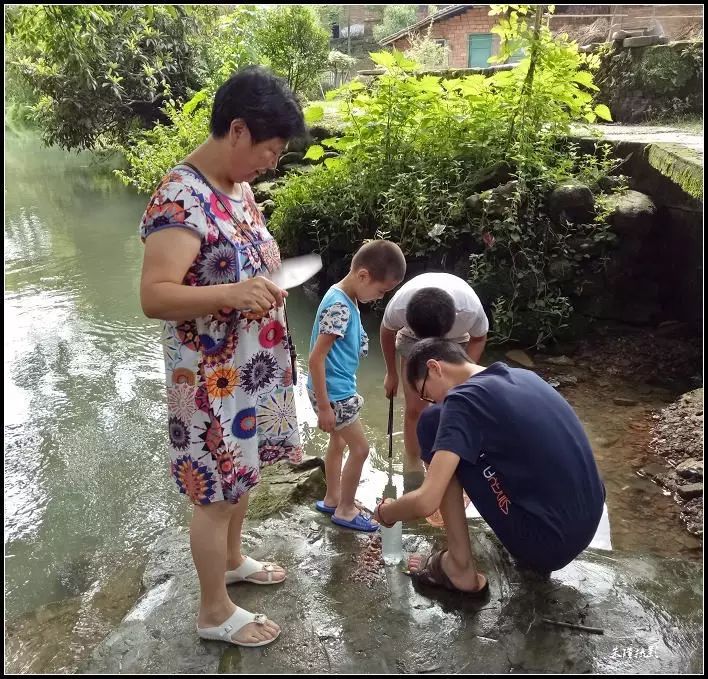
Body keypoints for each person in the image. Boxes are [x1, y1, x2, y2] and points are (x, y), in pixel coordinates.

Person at [139, 66, 307, 648]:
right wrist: (233, 294)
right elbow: (155, 295)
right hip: (210, 376)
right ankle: (213, 613)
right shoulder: (179, 197)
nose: (272, 163)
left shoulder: (238, 190)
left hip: (251, 371)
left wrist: (264, 287)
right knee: (215, 494)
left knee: (245, 476)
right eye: (269, 149)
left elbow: (244, 267)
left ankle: (233, 563)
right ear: (237, 130)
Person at [374, 339, 606, 595]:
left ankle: (458, 567)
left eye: (427, 393)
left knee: (431, 423)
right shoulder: (522, 376)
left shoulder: (462, 402)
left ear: (434, 368)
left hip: (547, 544)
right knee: (446, 430)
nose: (432, 401)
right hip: (587, 521)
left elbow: (426, 502)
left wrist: (387, 513)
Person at [308, 240, 406, 532]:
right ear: (363, 276)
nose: (379, 297)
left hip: (335, 389)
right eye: (381, 291)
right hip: (335, 393)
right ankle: (346, 510)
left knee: (338, 442)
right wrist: (324, 407)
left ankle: (333, 497)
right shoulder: (340, 306)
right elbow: (315, 359)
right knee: (361, 449)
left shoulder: (344, 296)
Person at [380, 273, 488, 474]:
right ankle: (413, 462)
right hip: (412, 340)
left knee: (449, 406)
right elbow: (387, 331)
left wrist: (464, 379)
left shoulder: (469, 311)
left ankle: (446, 464)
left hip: (455, 340)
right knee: (415, 408)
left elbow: (479, 338)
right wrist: (391, 373)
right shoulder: (400, 307)